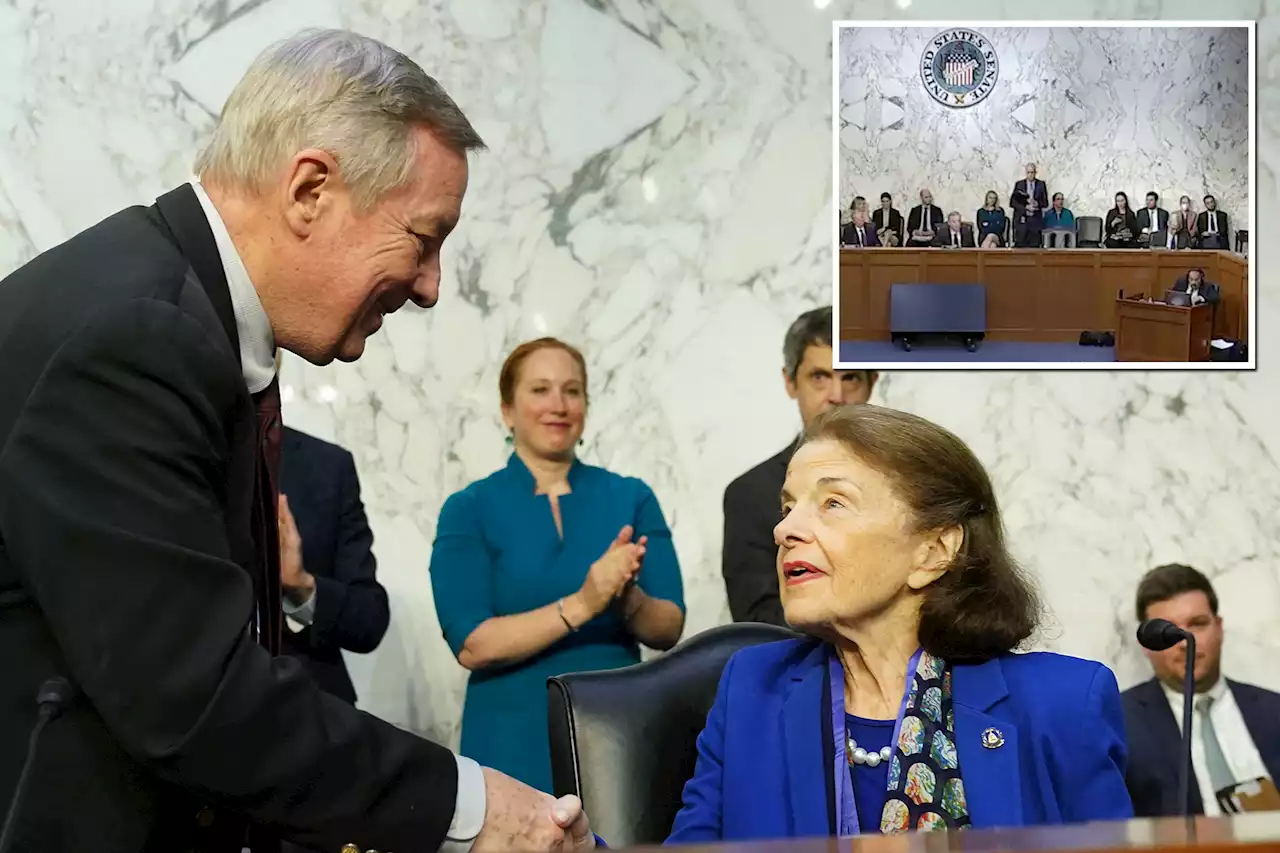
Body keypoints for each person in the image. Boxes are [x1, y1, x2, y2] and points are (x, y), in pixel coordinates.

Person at [0, 29, 596, 853]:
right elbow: (192, 696)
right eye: (423, 240)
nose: (429, 288)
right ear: (310, 189)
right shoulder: (137, 334)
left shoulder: (178, 308)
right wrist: (471, 807)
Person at [673, 405, 1132, 840]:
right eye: (787, 508)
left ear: (933, 551)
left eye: (833, 503)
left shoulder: (1063, 704)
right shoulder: (751, 691)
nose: (785, 530)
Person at [431, 337, 685, 793]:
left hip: (619, 734)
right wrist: (583, 603)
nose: (559, 404)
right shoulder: (468, 508)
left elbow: (668, 627)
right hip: (510, 738)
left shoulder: (630, 496)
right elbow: (473, 643)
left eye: (572, 391)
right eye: (540, 389)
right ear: (507, 410)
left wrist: (626, 597)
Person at [722, 308, 877, 627]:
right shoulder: (750, 494)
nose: (837, 395)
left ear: (872, 382)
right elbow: (758, 624)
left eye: (850, 377)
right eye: (819, 377)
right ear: (790, 382)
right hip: (805, 670)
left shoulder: (909, 480)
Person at [1122, 564, 1280, 817]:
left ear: (1219, 628)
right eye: (1167, 631)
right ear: (1147, 644)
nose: (1185, 641)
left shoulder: (1274, 709)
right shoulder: (1119, 721)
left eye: (1197, 624)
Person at [278, 425, 390, 705]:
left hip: (308, 714)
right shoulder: (162, 456)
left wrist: (302, 587)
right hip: (183, 718)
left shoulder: (326, 465)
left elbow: (368, 619)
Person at [1009, 162, 1049, 247]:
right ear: (1025, 173)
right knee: (1020, 247)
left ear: (1035, 173)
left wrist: (1037, 203)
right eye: (1028, 172)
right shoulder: (1019, 184)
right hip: (1022, 221)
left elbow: (1045, 203)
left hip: (1035, 221)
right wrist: (1026, 207)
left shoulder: (1041, 184)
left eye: (1032, 172)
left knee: (1034, 247)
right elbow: (1013, 203)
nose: (1030, 175)